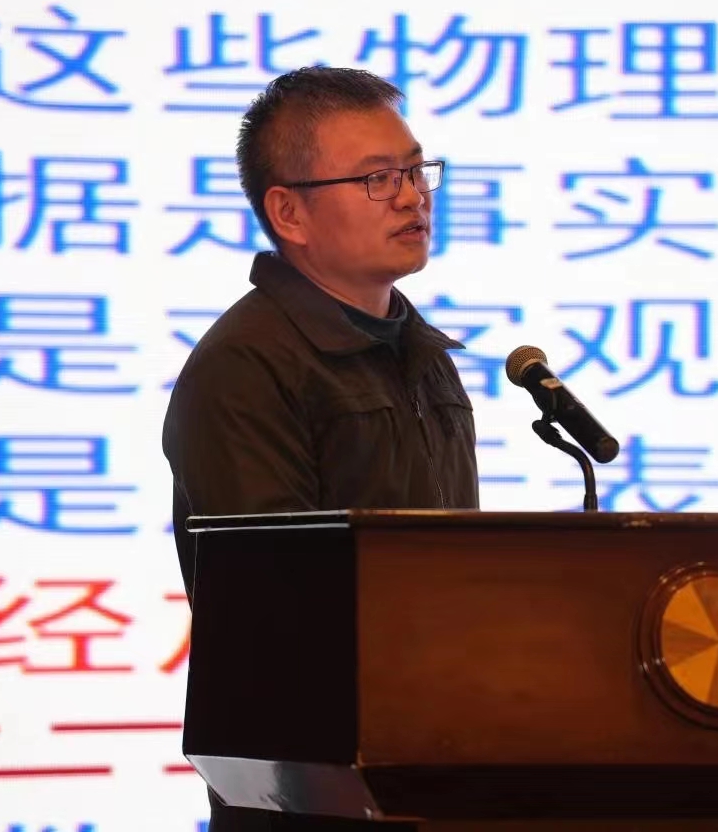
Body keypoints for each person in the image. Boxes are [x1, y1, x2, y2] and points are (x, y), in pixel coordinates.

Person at [161, 67, 480, 830]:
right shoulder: (246, 366)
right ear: (288, 212)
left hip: (430, 766)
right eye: (376, 178)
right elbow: (277, 607)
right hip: (311, 794)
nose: (411, 196)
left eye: (415, 170)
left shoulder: (422, 352)